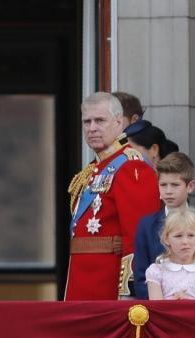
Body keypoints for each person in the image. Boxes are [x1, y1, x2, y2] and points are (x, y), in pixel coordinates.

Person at [65, 92, 160, 300]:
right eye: (86, 122)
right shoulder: (95, 168)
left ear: (119, 122)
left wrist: (129, 291)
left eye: (100, 120)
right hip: (83, 284)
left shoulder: (131, 166)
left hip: (107, 287)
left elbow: (138, 235)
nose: (92, 128)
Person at [134, 152, 195, 299]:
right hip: (159, 309)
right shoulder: (147, 224)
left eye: (175, 185)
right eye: (163, 185)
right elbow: (140, 278)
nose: (168, 191)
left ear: (190, 186)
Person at [145, 208, 195, 300]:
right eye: (178, 236)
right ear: (166, 239)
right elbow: (157, 309)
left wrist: (187, 304)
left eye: (191, 235)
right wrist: (175, 303)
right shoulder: (156, 271)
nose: (185, 242)